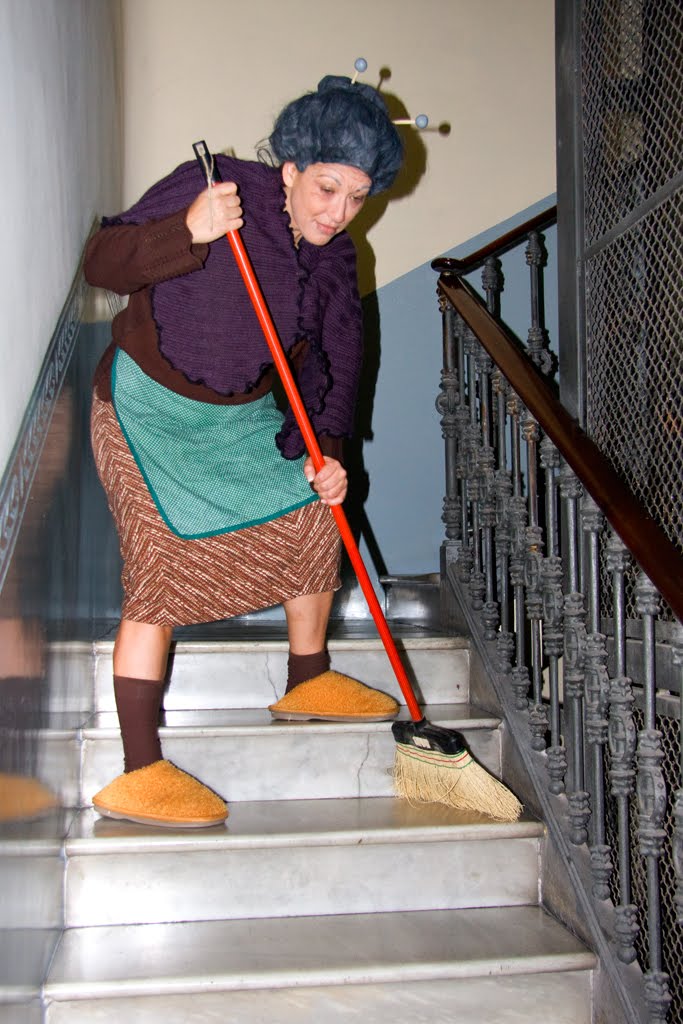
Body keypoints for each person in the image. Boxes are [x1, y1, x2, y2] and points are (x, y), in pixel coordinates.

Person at [84, 75, 404, 829]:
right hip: (148, 410)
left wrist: (326, 453)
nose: (339, 212)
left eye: (358, 197)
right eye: (327, 188)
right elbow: (103, 262)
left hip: (241, 422)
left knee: (314, 513)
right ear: (290, 169)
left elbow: (336, 359)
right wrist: (188, 229)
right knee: (159, 561)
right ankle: (138, 768)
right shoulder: (215, 184)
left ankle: (307, 678)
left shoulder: (333, 256)